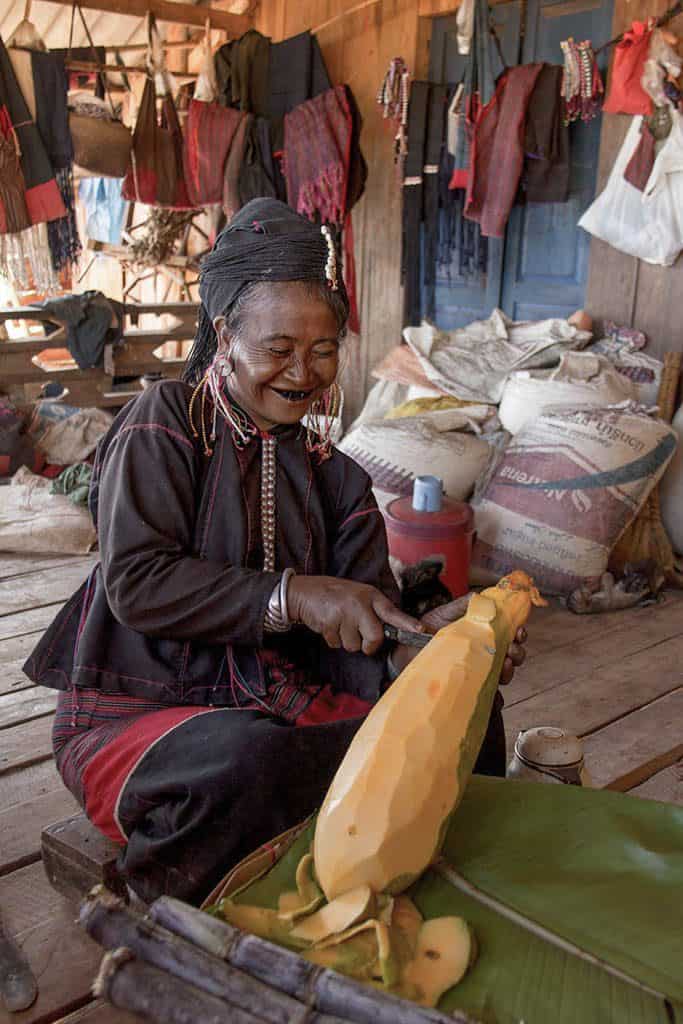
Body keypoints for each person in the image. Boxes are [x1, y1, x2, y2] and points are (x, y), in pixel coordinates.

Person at [24, 199, 525, 905]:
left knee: (470, 704)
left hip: (286, 709)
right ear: (225, 336)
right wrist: (293, 594)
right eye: (278, 349)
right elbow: (136, 582)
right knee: (246, 761)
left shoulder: (336, 474)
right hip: (143, 721)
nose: (304, 371)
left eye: (323, 350)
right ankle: (167, 925)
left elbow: (357, 630)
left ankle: (463, 888)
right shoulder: (162, 423)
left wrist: (419, 648)